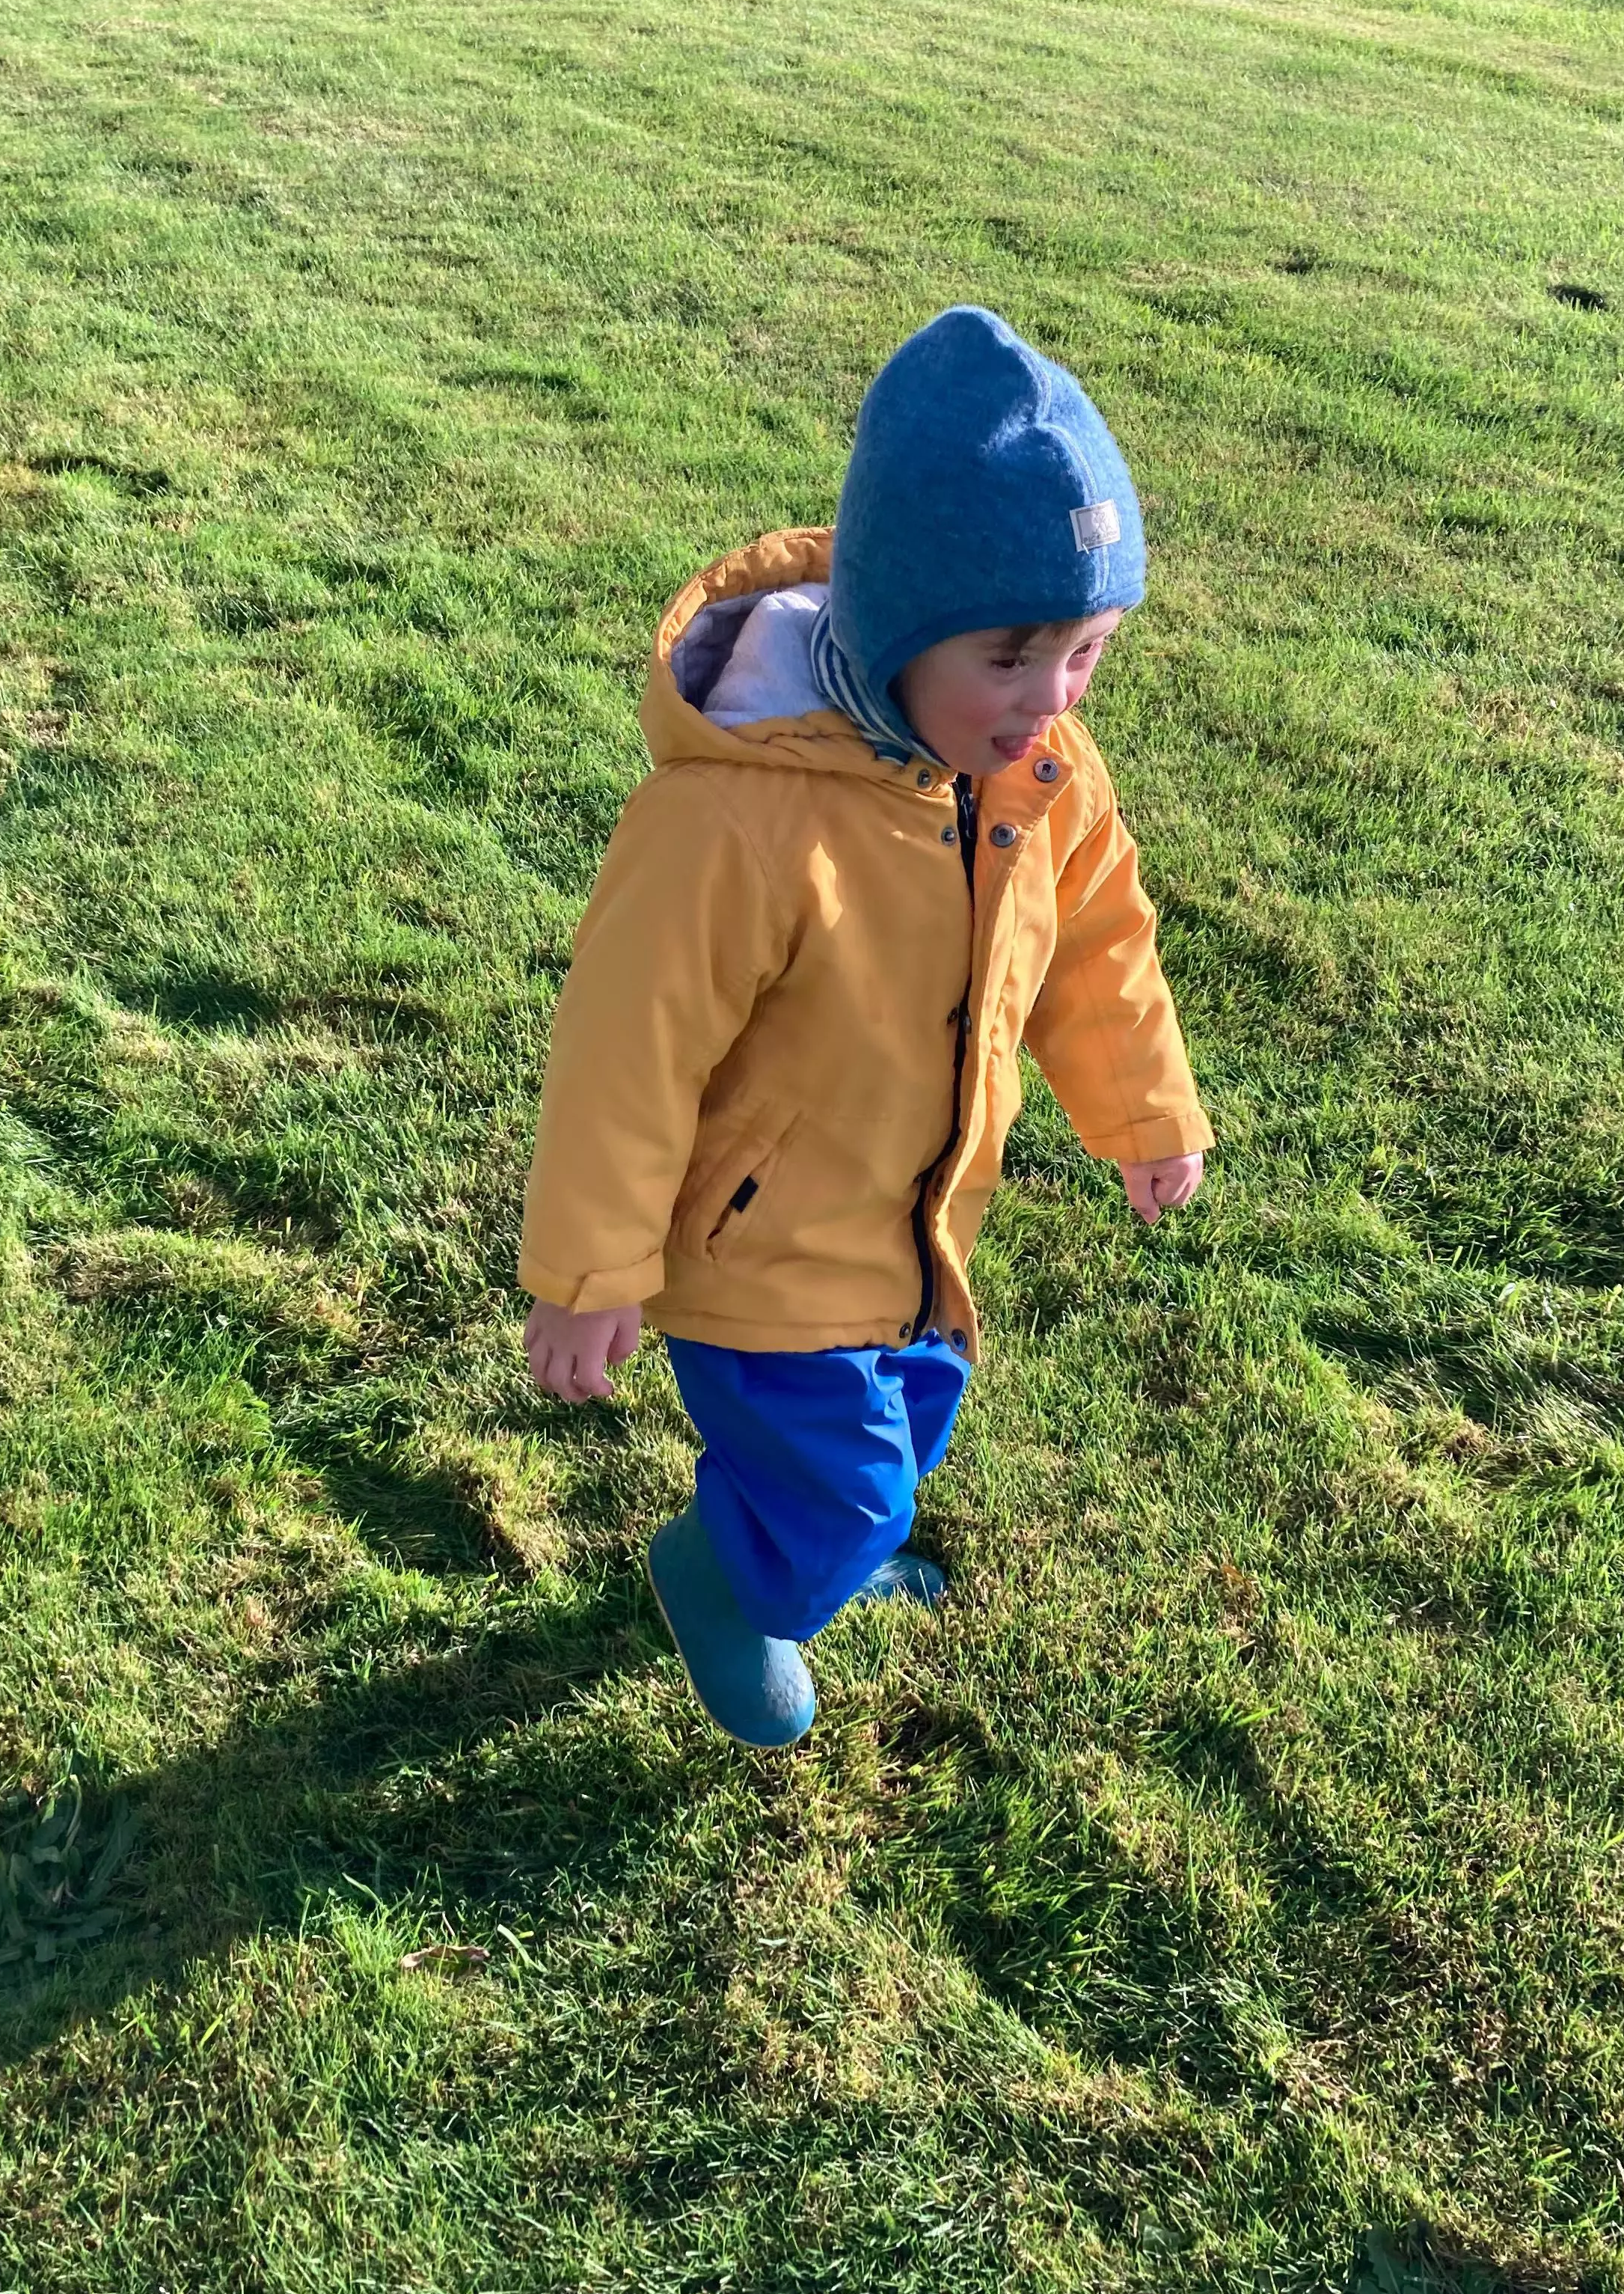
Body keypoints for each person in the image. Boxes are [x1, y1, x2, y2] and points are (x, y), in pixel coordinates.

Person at [518, 305, 1212, 1747]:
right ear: (895, 626)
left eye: (1088, 652)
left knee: (905, 1435)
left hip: (921, 1228)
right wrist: (590, 1272)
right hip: (759, 1249)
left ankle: (815, 1541)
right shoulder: (734, 823)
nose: (1052, 700)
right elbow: (626, 1050)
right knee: (844, 1497)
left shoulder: (1036, 774)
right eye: (1010, 658)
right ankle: (727, 1579)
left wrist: (1146, 1112)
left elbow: (1099, 941)